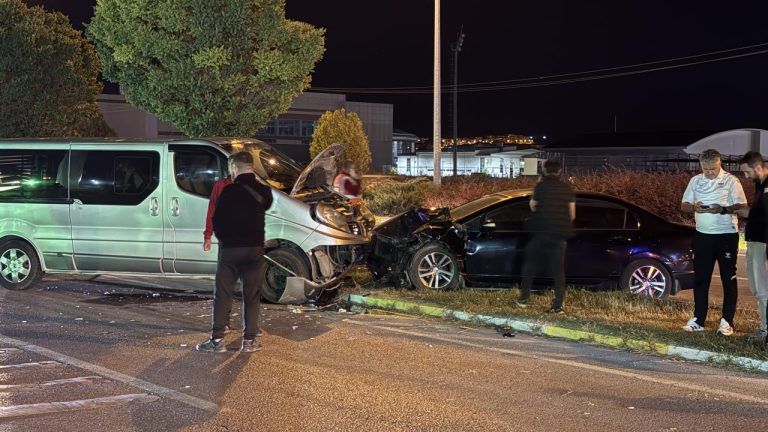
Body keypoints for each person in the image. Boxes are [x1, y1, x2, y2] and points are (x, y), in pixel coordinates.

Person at [196, 151, 273, 353]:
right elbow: (267, 204)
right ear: (252, 168)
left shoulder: (227, 191)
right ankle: (249, 341)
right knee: (252, 295)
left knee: (223, 294)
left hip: (230, 250)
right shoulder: (264, 191)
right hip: (254, 250)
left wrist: (222, 238)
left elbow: (218, 221)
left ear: (235, 168)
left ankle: (217, 340)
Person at [681, 149, 747, 335]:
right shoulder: (695, 181)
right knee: (701, 278)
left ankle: (727, 321)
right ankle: (698, 320)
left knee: (728, 279)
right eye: (706, 169)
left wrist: (723, 209)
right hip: (702, 236)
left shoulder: (731, 181)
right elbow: (684, 205)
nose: (709, 172)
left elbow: (742, 206)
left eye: (713, 168)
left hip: (726, 236)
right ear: (701, 165)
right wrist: (694, 207)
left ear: (720, 164)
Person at [517, 159, 576, 313]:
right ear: (559, 171)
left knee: (530, 266)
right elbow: (572, 214)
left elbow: (532, 206)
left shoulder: (541, 187)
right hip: (559, 235)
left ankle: (523, 299)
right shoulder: (566, 188)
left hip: (541, 233)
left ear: (544, 171)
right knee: (558, 272)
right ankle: (557, 305)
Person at [737, 151, 768, 342]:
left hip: (764, 244)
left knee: (764, 290)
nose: (746, 177)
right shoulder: (760, 184)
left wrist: (748, 213)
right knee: (758, 288)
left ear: (757, 167)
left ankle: (765, 332)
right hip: (755, 241)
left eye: (747, 172)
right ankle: (764, 329)